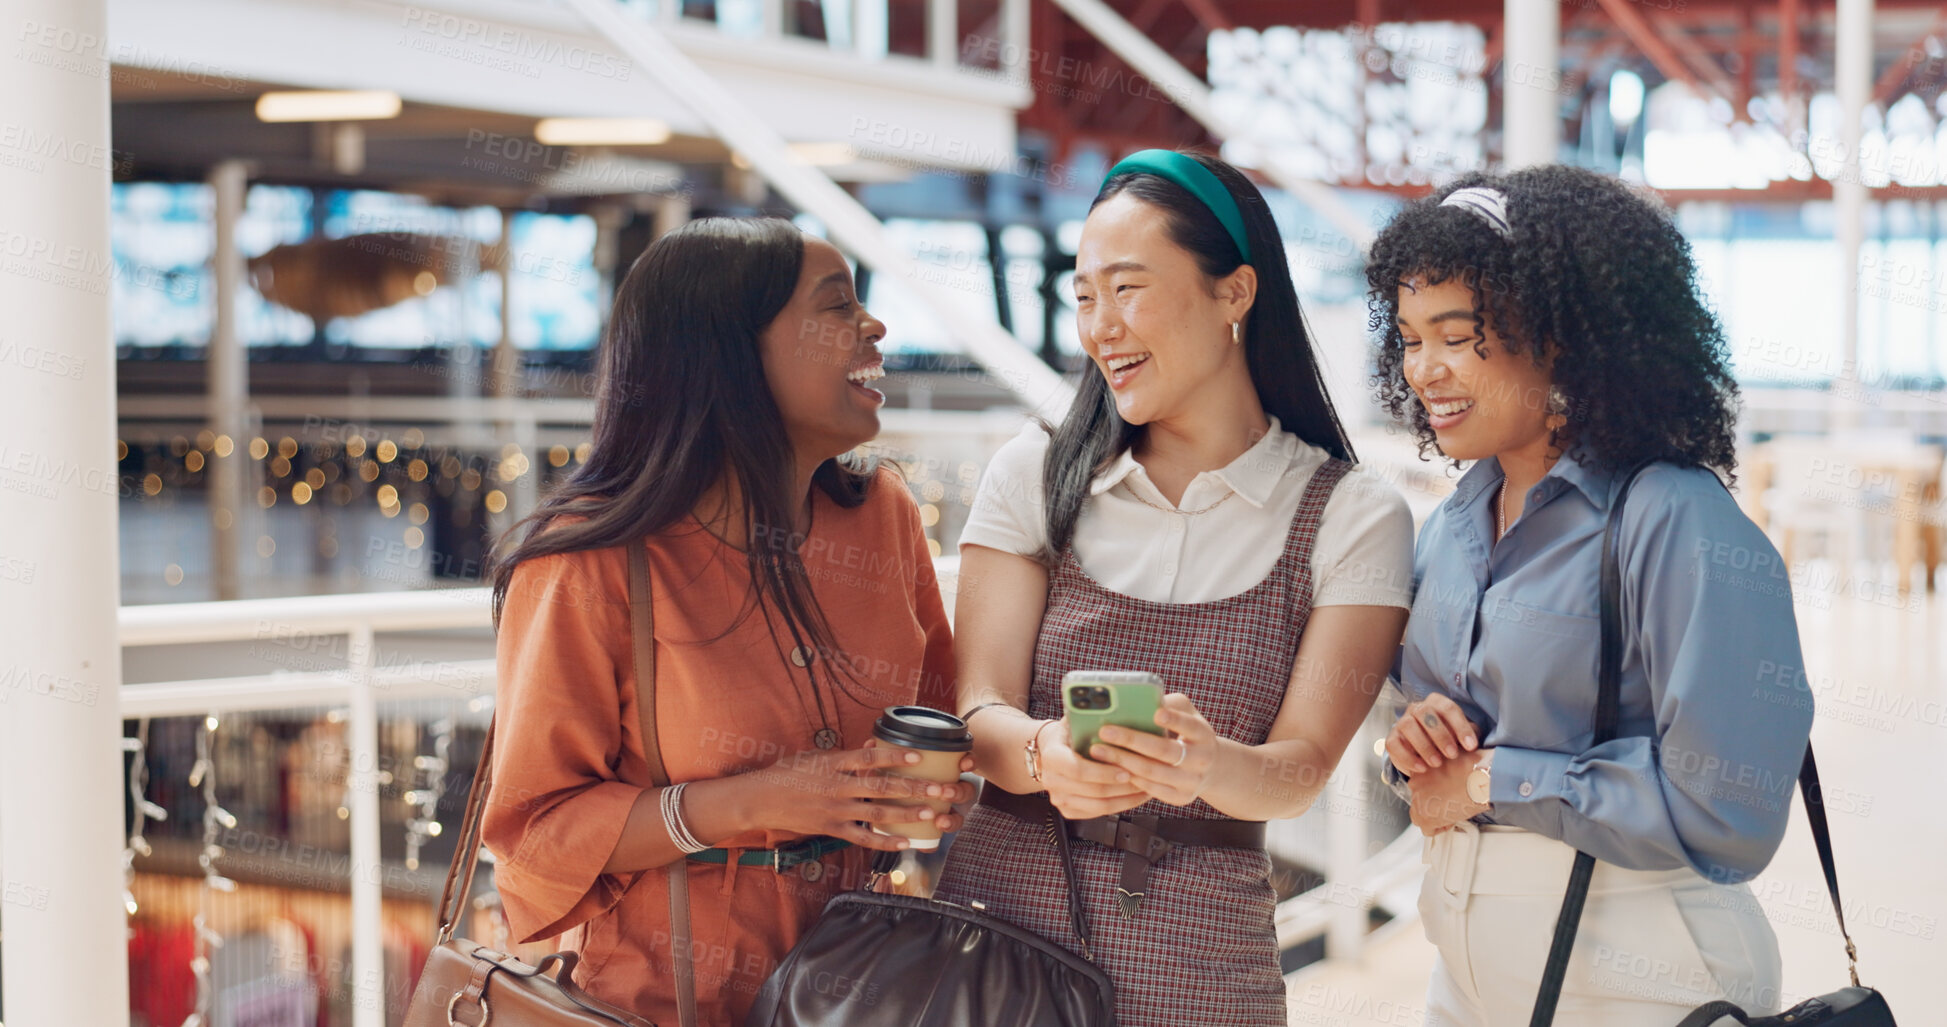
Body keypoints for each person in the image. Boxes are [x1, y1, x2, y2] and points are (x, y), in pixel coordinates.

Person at [934, 149, 1415, 1026]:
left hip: (1202, 973)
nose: (1099, 326)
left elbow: (1298, 771)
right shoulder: (1033, 473)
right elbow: (977, 713)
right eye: (1083, 295)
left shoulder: (1352, 514)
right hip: (994, 951)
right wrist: (1047, 755)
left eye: (1127, 288)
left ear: (1235, 292)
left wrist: (1207, 764)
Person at [483, 217, 971, 1025]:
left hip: (863, 992)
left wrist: (930, 792)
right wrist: (755, 800)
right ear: (733, 352)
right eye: (835, 307)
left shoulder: (882, 516)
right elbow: (534, 841)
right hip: (658, 1001)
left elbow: (946, 719)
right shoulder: (585, 561)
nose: (874, 326)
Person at [1369, 166, 1813, 1025]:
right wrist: (1415, 742)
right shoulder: (1453, 525)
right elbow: (1441, 756)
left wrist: (1493, 777)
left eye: (1456, 335)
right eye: (1407, 336)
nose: (1423, 368)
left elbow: (1729, 807)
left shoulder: (1672, 517)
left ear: (1564, 335)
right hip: (1467, 971)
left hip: (1641, 974)